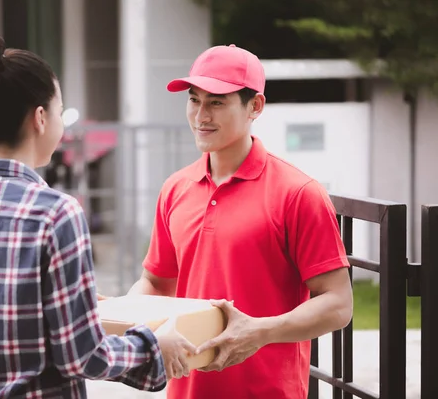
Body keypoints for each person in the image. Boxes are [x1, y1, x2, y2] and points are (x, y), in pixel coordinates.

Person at [0, 34, 195, 399]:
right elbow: (84, 356)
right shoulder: (56, 213)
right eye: (59, 109)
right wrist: (153, 344)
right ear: (39, 118)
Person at [126, 44, 354, 398]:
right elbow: (156, 282)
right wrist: (125, 314)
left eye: (216, 102)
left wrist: (259, 331)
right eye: (194, 99)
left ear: (255, 106)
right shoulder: (175, 189)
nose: (201, 115)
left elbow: (338, 304)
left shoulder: (298, 193)